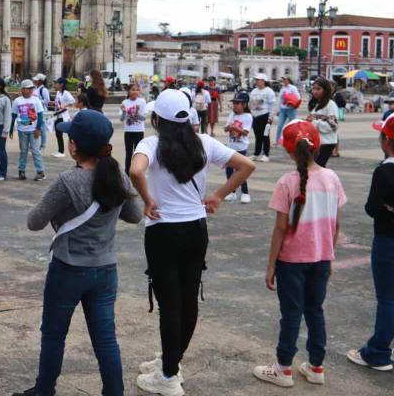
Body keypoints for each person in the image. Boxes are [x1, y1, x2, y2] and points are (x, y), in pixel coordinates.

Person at [129, 89, 255, 395]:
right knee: (188, 299)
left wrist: (147, 199)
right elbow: (247, 166)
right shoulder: (204, 143)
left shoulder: (152, 144)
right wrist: (218, 196)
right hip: (196, 229)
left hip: (163, 231)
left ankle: (169, 375)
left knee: (169, 304)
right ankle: (171, 360)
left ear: (157, 118)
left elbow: (135, 170)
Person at [16, 110, 142, 396]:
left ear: (74, 145)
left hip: (68, 270)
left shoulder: (67, 182)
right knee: (106, 340)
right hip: (106, 270)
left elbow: (34, 221)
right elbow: (135, 216)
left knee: (54, 335)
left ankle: (45, 390)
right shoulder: (117, 175)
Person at [252, 120, 345, 388]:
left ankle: (283, 368)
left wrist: (271, 266)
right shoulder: (332, 178)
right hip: (321, 258)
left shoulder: (287, 182)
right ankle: (316, 366)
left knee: (291, 314)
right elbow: (336, 223)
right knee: (315, 310)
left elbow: (280, 229)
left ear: (289, 151)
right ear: (317, 148)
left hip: (291, 261)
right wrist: (331, 256)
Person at [346, 114, 394, 372]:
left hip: (388, 239)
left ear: (386, 140)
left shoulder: (385, 170)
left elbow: (372, 207)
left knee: (387, 298)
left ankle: (378, 351)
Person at [11, 79, 46, 181]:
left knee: (36, 151)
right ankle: (21, 171)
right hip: (22, 131)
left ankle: (40, 172)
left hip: (34, 130)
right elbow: (13, 115)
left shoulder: (36, 100)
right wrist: (10, 129)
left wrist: (38, 129)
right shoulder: (17, 101)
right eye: (28, 88)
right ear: (22, 89)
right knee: (23, 151)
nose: (31, 90)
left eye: (32, 88)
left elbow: (40, 115)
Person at [223, 92, 253, 204]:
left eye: (237, 103)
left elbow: (245, 132)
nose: (235, 105)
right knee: (229, 170)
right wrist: (228, 127)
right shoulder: (232, 115)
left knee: (240, 171)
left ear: (244, 105)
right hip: (231, 146)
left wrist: (234, 127)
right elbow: (225, 129)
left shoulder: (248, 116)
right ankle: (231, 192)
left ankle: (245, 193)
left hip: (241, 147)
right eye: (234, 103)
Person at [306, 78, 339, 167]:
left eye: (318, 89)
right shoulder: (317, 104)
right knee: (314, 169)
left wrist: (313, 122)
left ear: (325, 90)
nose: (315, 91)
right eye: (314, 89)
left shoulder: (331, 105)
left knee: (316, 168)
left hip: (326, 142)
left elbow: (333, 126)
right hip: (317, 142)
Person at [120, 83, 147, 174]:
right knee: (128, 154)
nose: (135, 92)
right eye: (132, 89)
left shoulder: (142, 101)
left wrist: (137, 113)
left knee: (138, 153)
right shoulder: (125, 102)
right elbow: (122, 119)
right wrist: (124, 112)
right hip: (128, 131)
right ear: (128, 91)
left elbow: (144, 118)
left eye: (136, 90)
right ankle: (127, 173)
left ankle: (138, 172)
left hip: (139, 131)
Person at [249, 73, 277, 163]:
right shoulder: (254, 91)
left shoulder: (269, 91)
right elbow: (250, 103)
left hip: (264, 115)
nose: (256, 81)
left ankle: (266, 154)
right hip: (255, 115)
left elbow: (272, 105)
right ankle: (256, 153)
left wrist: (270, 117)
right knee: (257, 135)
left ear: (263, 81)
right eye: (256, 80)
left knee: (265, 135)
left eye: (258, 80)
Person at [52, 78, 76, 158]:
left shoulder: (66, 93)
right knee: (58, 134)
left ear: (61, 84)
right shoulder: (58, 92)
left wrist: (64, 106)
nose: (56, 85)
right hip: (58, 115)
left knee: (65, 133)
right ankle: (60, 151)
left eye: (57, 83)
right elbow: (57, 103)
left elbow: (73, 101)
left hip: (64, 116)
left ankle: (62, 151)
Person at [276, 76, 302, 143]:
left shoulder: (293, 88)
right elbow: (279, 100)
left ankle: (294, 139)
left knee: (293, 125)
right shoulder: (282, 89)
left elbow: (298, 97)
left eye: (285, 79)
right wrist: (278, 110)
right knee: (279, 125)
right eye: (283, 80)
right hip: (283, 109)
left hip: (291, 109)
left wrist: (294, 103)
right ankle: (278, 140)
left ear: (289, 80)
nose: (284, 81)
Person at [33, 73, 52, 150]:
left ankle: (43, 145)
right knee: (36, 126)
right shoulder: (36, 88)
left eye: (36, 80)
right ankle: (36, 144)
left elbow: (47, 101)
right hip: (35, 110)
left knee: (42, 127)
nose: (35, 81)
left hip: (42, 110)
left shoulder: (43, 89)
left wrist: (37, 100)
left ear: (40, 81)